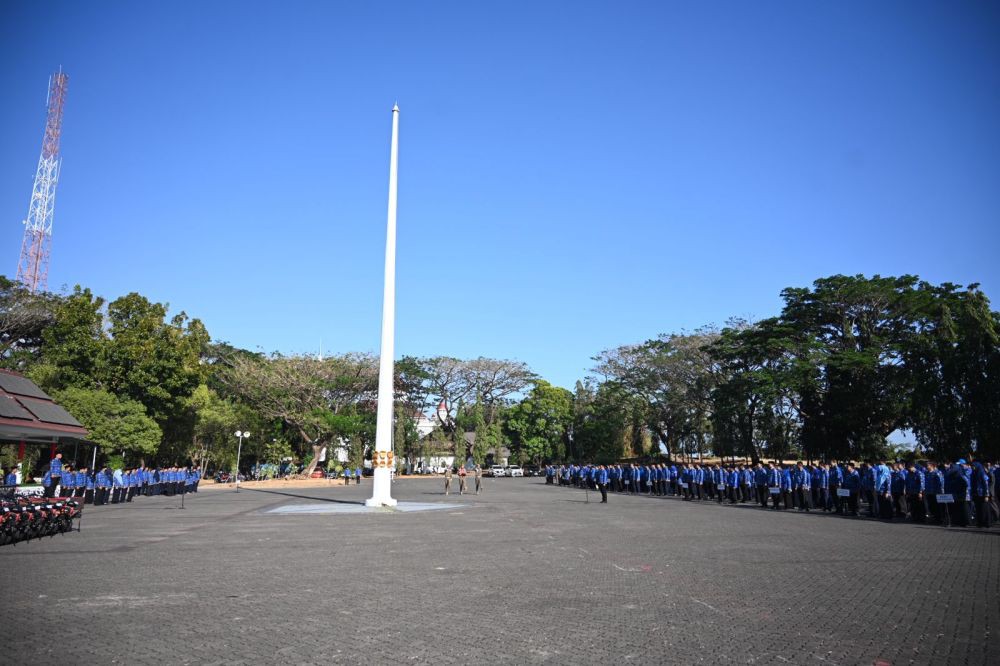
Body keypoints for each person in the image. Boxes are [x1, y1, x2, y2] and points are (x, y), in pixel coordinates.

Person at [971, 461, 993, 528]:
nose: (972, 467)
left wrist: (986, 495)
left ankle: (987, 523)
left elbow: (985, 484)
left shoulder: (982, 472)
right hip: (977, 494)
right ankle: (980, 523)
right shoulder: (974, 473)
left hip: (982, 494)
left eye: (973, 466)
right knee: (978, 509)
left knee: (985, 509)